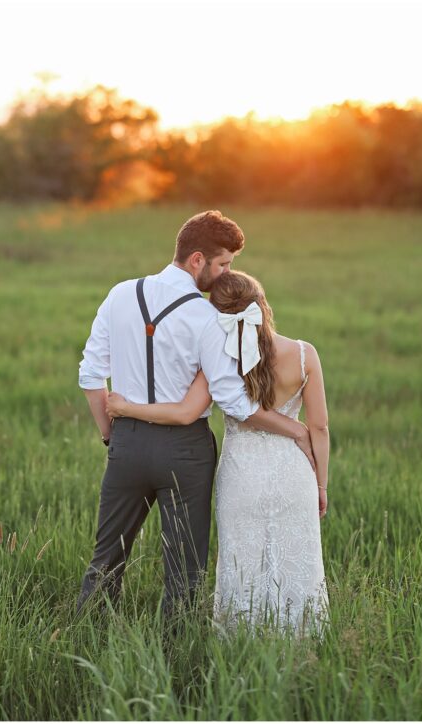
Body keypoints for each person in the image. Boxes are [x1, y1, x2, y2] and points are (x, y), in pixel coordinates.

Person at [76, 210, 317, 619]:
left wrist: (110, 436)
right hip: (185, 452)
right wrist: (294, 428)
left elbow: (90, 374)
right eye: (223, 263)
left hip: (127, 443)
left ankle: (86, 640)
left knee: (106, 559)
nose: (225, 274)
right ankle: (177, 655)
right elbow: (233, 402)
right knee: (184, 570)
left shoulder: (119, 294)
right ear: (197, 260)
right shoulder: (207, 319)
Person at [107, 270, 329, 634]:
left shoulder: (220, 361)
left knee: (242, 565)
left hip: (240, 478)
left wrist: (127, 408)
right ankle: (300, 639)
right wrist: (320, 486)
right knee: (296, 564)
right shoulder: (304, 355)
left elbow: (183, 413)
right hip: (293, 474)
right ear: (264, 306)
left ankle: (242, 640)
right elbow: (318, 428)